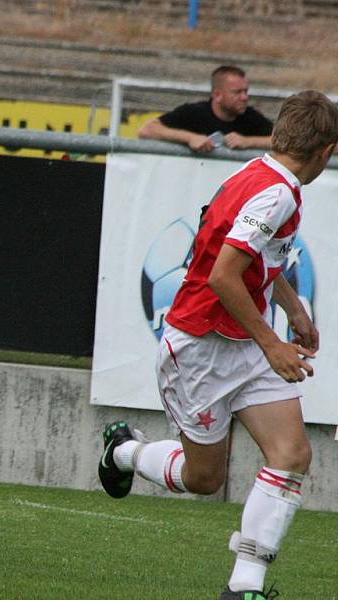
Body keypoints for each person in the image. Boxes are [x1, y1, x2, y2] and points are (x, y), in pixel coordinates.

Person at [99, 90, 338, 599]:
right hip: (200, 347)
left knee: (291, 454)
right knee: (204, 479)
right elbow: (224, 277)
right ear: (326, 151)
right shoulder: (277, 193)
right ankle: (124, 452)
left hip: (243, 345)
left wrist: (293, 307)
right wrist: (274, 342)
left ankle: (243, 586)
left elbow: (257, 259)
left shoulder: (259, 174)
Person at [138, 65, 272, 153]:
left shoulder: (250, 117)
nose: (244, 97)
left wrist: (247, 142)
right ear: (217, 95)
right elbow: (146, 130)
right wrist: (190, 138)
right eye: (237, 92)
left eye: (246, 91)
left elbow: (284, 141)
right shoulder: (193, 112)